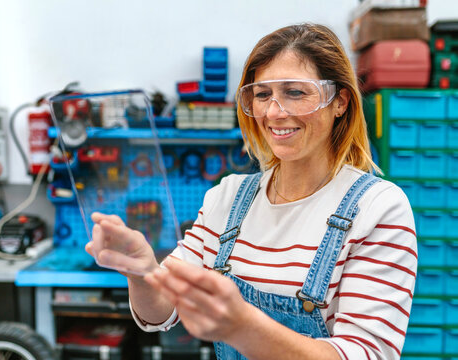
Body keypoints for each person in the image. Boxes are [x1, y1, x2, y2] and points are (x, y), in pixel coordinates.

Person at [86, 23, 417, 360]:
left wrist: (244, 328)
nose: (274, 112)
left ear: (340, 101)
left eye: (296, 92)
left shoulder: (377, 208)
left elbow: (365, 354)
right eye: (262, 95)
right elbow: (162, 313)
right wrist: (142, 273)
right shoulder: (228, 198)